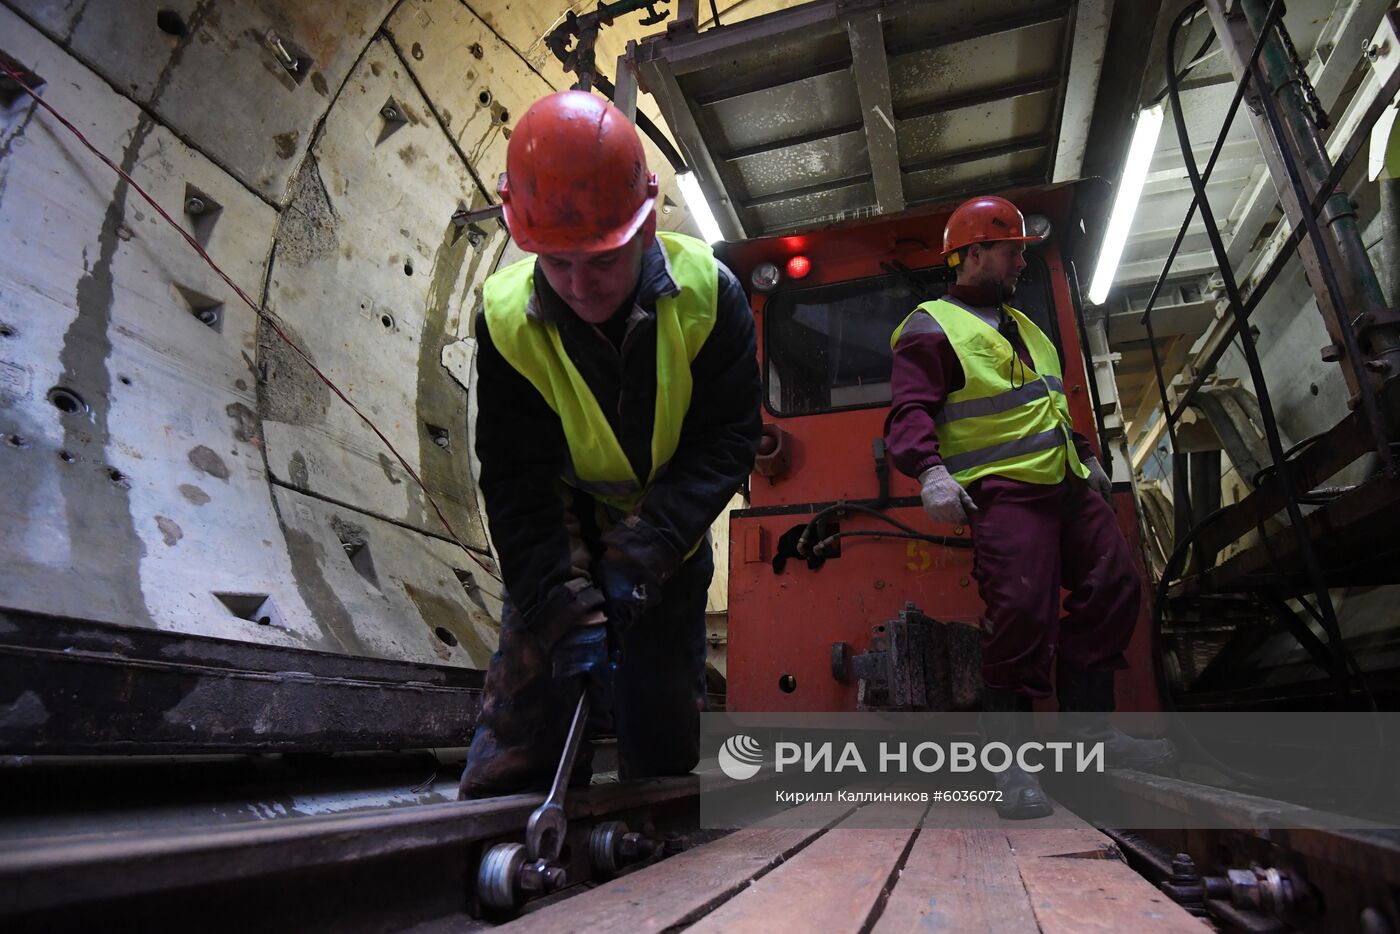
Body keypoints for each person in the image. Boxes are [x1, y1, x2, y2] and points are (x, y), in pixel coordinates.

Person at [459, 90, 761, 799]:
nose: (579, 286)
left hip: (668, 533)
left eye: (600, 261)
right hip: (561, 530)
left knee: (662, 736)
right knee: (524, 718)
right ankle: (494, 837)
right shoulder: (505, 320)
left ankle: (658, 844)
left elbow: (727, 440)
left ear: (647, 228)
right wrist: (559, 601)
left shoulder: (709, 295)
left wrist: (645, 551)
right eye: (557, 264)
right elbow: (517, 476)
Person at [884, 195, 1172, 820]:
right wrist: (929, 472)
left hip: (1067, 484)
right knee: (1020, 612)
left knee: (1115, 585)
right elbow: (908, 412)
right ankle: (1008, 760)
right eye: (1011, 250)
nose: (1021, 261)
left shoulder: (1028, 327)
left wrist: (1088, 455)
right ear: (973, 254)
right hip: (1004, 491)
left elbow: (1051, 403)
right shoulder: (931, 327)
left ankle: (1089, 736)